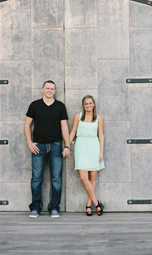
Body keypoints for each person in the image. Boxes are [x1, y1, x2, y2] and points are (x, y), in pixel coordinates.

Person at [24, 80, 71, 218]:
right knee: (36, 178)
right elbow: (27, 125)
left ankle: (54, 208)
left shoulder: (60, 106)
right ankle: (35, 208)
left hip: (56, 146)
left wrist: (67, 146)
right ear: (43, 90)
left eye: (52, 89)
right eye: (47, 88)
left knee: (56, 179)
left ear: (55, 91)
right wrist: (30, 143)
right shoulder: (35, 105)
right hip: (38, 147)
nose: (50, 90)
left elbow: (64, 127)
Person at [67, 95, 105, 216]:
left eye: (90, 103)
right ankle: (97, 204)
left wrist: (101, 152)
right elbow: (73, 131)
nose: (88, 106)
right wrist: (67, 146)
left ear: (94, 104)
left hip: (94, 146)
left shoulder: (98, 118)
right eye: (86, 104)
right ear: (83, 105)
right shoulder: (78, 116)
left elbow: (101, 135)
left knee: (93, 178)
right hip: (81, 146)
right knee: (84, 177)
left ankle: (89, 205)